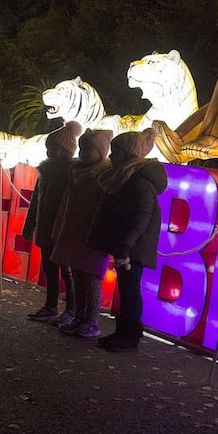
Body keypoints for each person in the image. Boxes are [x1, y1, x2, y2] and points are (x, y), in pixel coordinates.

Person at [87, 128, 168, 353]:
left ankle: (129, 336)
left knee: (131, 290)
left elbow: (140, 217)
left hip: (133, 247)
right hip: (130, 245)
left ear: (128, 154)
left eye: (117, 152)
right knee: (126, 289)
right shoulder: (129, 177)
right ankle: (123, 332)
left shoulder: (139, 182)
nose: (112, 157)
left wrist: (124, 247)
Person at [50, 129, 114, 339]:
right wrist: (59, 227)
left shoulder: (105, 176)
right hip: (75, 233)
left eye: (89, 149)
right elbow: (66, 204)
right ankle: (78, 316)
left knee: (91, 279)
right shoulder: (76, 172)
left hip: (93, 236)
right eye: (82, 148)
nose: (84, 152)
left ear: (101, 152)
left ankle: (91, 320)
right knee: (78, 277)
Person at [22, 121, 81, 325]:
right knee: (49, 269)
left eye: (53, 147)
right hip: (46, 230)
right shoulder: (45, 173)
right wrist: (29, 227)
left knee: (66, 271)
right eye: (48, 147)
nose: (49, 151)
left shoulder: (72, 174)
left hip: (62, 232)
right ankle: (51, 306)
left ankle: (72, 309)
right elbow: (36, 202)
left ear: (64, 149)